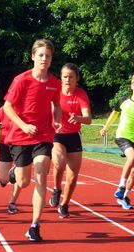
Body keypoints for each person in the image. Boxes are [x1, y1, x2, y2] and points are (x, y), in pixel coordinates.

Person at [3, 39, 62, 242]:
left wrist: (56, 120)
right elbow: (7, 107)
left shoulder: (55, 83)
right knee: (23, 181)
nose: (44, 59)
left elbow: (57, 104)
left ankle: (35, 225)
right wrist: (23, 125)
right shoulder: (22, 80)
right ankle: (15, 171)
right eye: (41, 55)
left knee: (42, 175)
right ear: (33, 56)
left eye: (48, 56)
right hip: (21, 135)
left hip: (43, 135)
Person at [100, 73, 134, 210]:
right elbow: (114, 114)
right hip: (123, 135)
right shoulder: (123, 100)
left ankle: (124, 196)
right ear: (132, 86)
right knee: (132, 157)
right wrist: (105, 127)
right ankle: (121, 186)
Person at [48, 63, 92, 218]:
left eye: (71, 77)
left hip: (73, 135)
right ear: (61, 78)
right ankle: (56, 189)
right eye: (65, 77)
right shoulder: (55, 92)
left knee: (73, 175)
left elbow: (88, 119)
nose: (67, 80)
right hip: (58, 134)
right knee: (59, 163)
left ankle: (64, 204)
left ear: (77, 78)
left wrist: (78, 117)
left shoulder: (80, 95)